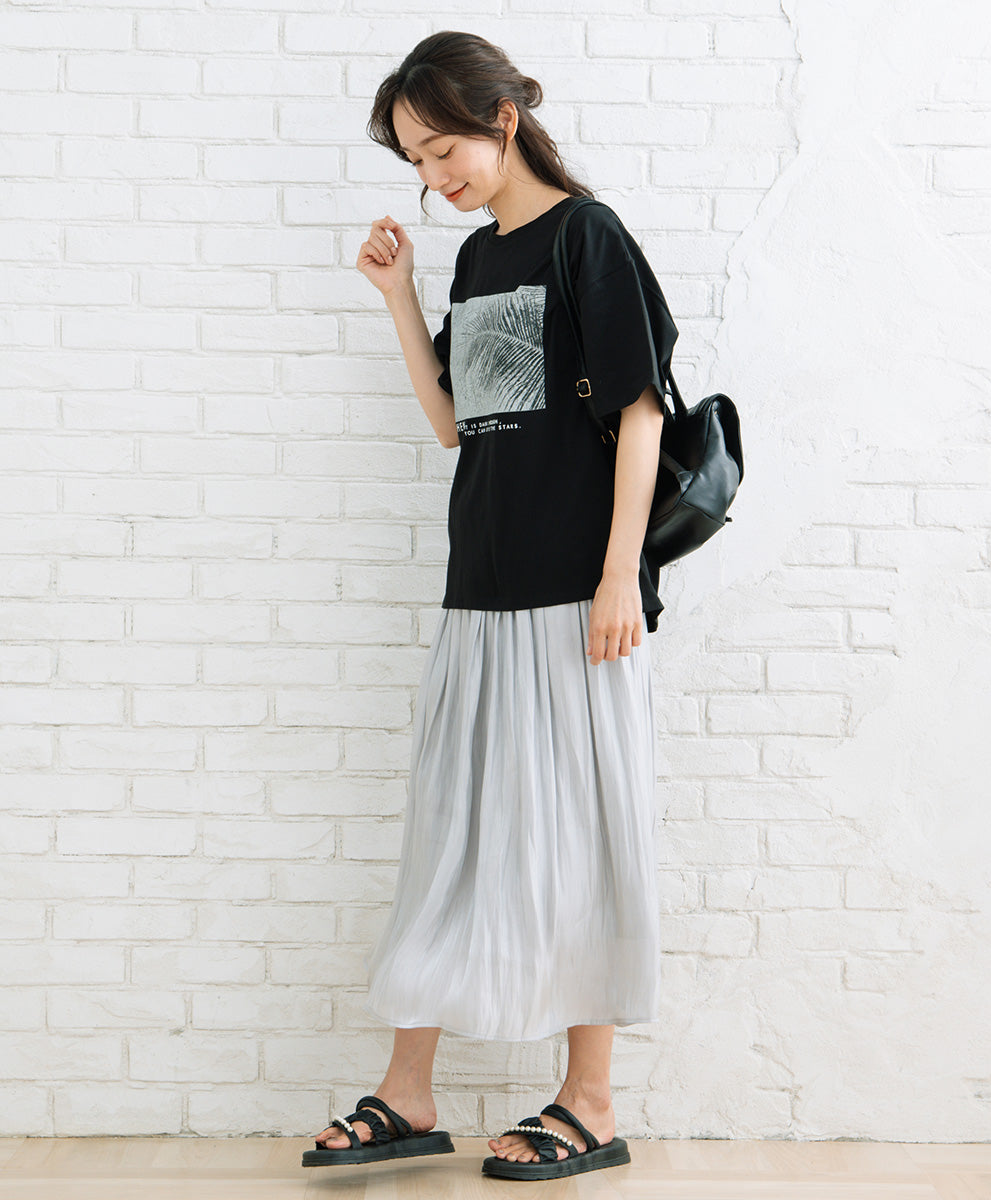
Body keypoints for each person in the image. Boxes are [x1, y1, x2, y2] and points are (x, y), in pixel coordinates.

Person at [304, 30, 680, 1183]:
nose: (435, 175)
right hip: (479, 593)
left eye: (444, 148)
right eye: (416, 161)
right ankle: (408, 1091)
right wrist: (400, 296)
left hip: (577, 596)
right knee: (451, 840)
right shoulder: (475, 259)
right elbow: (454, 424)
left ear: (503, 118)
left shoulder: (586, 237)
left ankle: (591, 1102)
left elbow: (639, 411)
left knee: (582, 838)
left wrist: (617, 575)